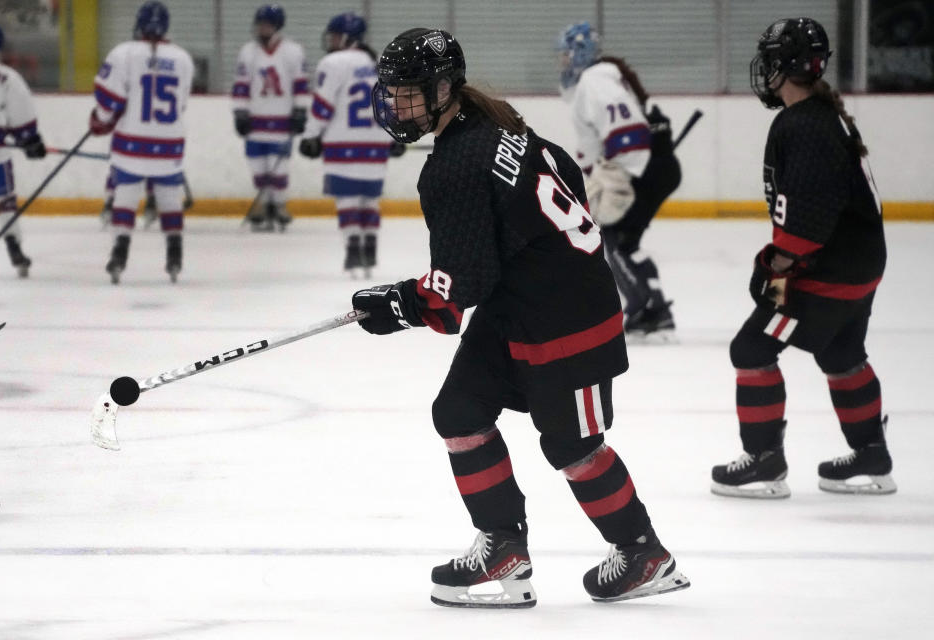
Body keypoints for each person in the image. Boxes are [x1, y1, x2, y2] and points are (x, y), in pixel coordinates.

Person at [352, 28, 689, 608]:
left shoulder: (454, 165)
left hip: (567, 315)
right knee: (458, 410)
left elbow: (461, 282)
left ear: (441, 90)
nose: (396, 104)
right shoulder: (499, 127)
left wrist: (401, 302)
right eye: (393, 92)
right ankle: (503, 548)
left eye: (407, 93)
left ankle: (642, 552)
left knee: (572, 445)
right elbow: (566, 175)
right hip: (521, 304)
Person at [712, 18, 892, 498]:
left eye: (772, 59)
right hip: (859, 269)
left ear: (783, 65)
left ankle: (764, 462)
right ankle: (872, 455)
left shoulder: (804, 125)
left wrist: (773, 268)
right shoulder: (823, 115)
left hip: (826, 273)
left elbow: (807, 225)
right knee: (842, 352)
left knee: (751, 349)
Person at [556, 23, 681, 341]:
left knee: (614, 239)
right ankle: (654, 310)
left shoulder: (594, 80)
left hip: (641, 168)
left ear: (580, 52)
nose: (563, 62)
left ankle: (646, 311)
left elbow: (628, 132)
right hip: (654, 166)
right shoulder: (604, 77)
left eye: (566, 55)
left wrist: (618, 176)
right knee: (626, 242)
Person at [90, 1, 194, 284]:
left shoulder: (124, 53)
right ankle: (175, 255)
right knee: (170, 200)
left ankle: (119, 252)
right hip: (170, 145)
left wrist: (101, 120)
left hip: (131, 145)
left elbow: (107, 101)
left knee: (125, 196)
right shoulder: (183, 58)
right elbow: (181, 104)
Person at [299, 12, 404, 277]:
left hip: (341, 143)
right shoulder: (381, 62)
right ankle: (369, 247)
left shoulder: (333, 62)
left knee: (347, 200)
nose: (332, 41)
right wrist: (395, 136)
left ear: (346, 37)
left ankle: (352, 247)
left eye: (335, 36)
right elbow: (392, 104)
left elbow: (323, 105)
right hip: (376, 144)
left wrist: (311, 135)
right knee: (369, 200)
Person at [0, 22, 46, 278]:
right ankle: (15, 250)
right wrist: (30, 140)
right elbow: (22, 117)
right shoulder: (8, 77)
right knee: (5, 203)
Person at [232, 4, 309, 232]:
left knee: (279, 169)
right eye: (259, 24)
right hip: (256, 119)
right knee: (258, 168)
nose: (261, 28)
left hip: (282, 119)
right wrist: (240, 112)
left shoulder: (293, 51)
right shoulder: (248, 51)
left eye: (266, 24)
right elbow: (241, 85)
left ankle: (279, 204)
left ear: (276, 26)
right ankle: (264, 205)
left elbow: (300, 85)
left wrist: (300, 111)